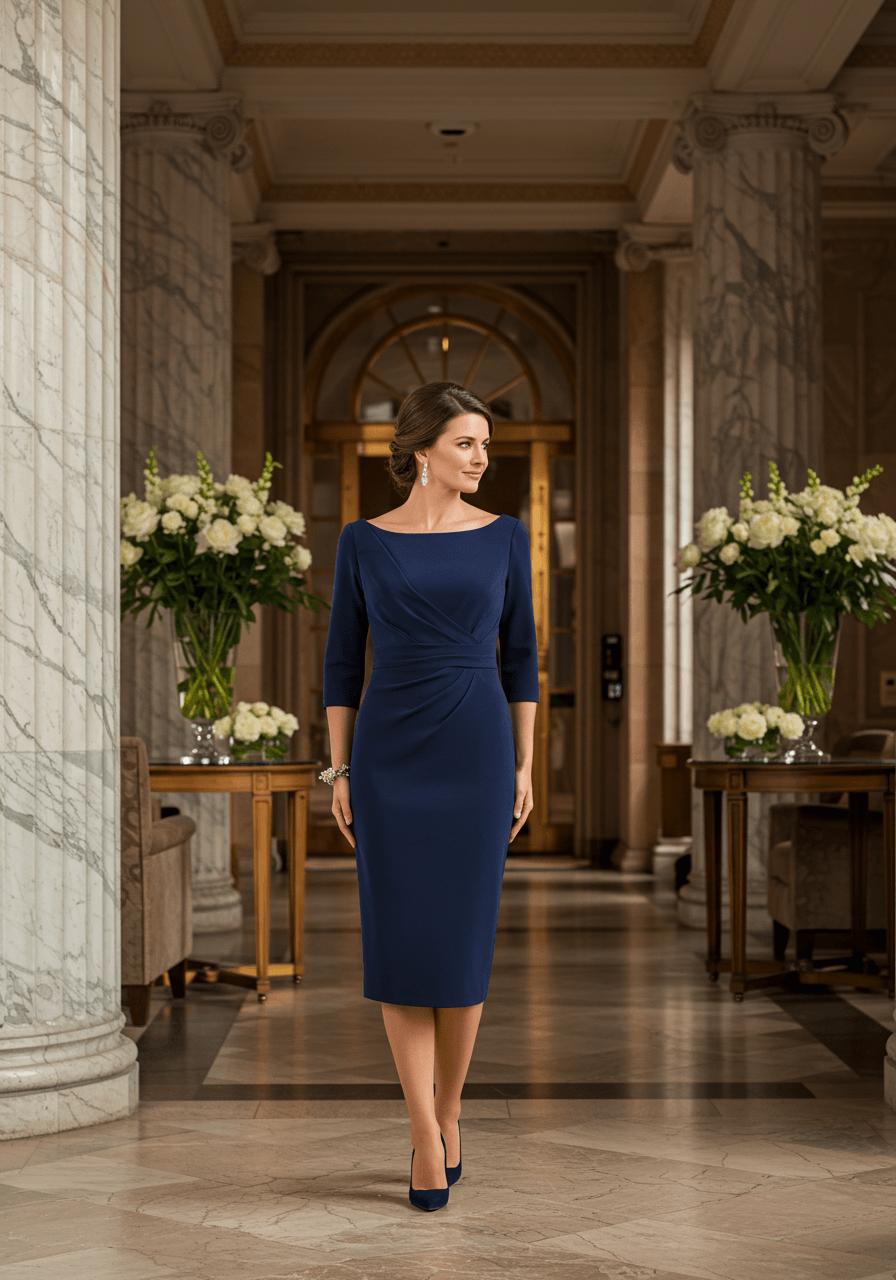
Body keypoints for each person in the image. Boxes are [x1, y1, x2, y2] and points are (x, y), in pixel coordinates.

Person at [321, 382, 539, 1212]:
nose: (483, 458)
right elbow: (343, 664)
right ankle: (421, 1130)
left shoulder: (507, 538)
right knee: (401, 945)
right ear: (422, 452)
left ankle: (449, 1110)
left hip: (478, 752)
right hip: (388, 758)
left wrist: (522, 766)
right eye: (467, 444)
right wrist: (339, 771)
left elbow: (522, 659)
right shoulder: (362, 542)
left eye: (486, 444)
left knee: (460, 946)